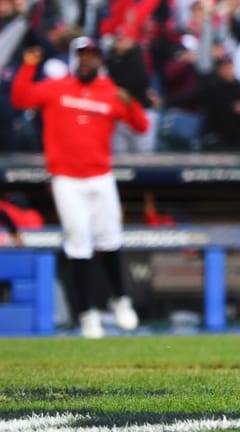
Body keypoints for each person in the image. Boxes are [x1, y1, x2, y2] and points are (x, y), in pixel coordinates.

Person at [10, 40, 148, 338]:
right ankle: (86, 314)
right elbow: (21, 99)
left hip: (100, 176)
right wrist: (28, 66)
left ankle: (120, 299)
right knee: (78, 242)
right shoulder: (56, 87)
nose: (86, 61)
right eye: (81, 56)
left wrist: (130, 103)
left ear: (99, 61)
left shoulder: (110, 91)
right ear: (75, 59)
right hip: (66, 178)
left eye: (92, 56)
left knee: (110, 239)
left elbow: (141, 125)